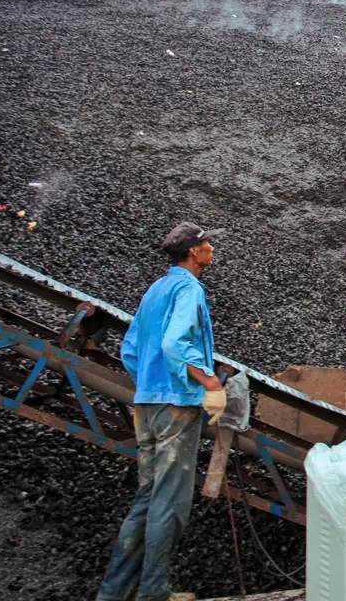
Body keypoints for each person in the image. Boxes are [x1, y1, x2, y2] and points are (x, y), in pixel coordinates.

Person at [96, 222, 228, 601]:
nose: (211, 249)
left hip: (148, 404)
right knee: (170, 502)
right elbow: (175, 342)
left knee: (147, 496)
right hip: (176, 408)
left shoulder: (156, 289)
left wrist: (151, 385)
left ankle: (113, 593)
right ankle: (154, 592)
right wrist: (209, 383)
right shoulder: (189, 289)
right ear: (192, 252)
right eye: (206, 244)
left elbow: (131, 350)